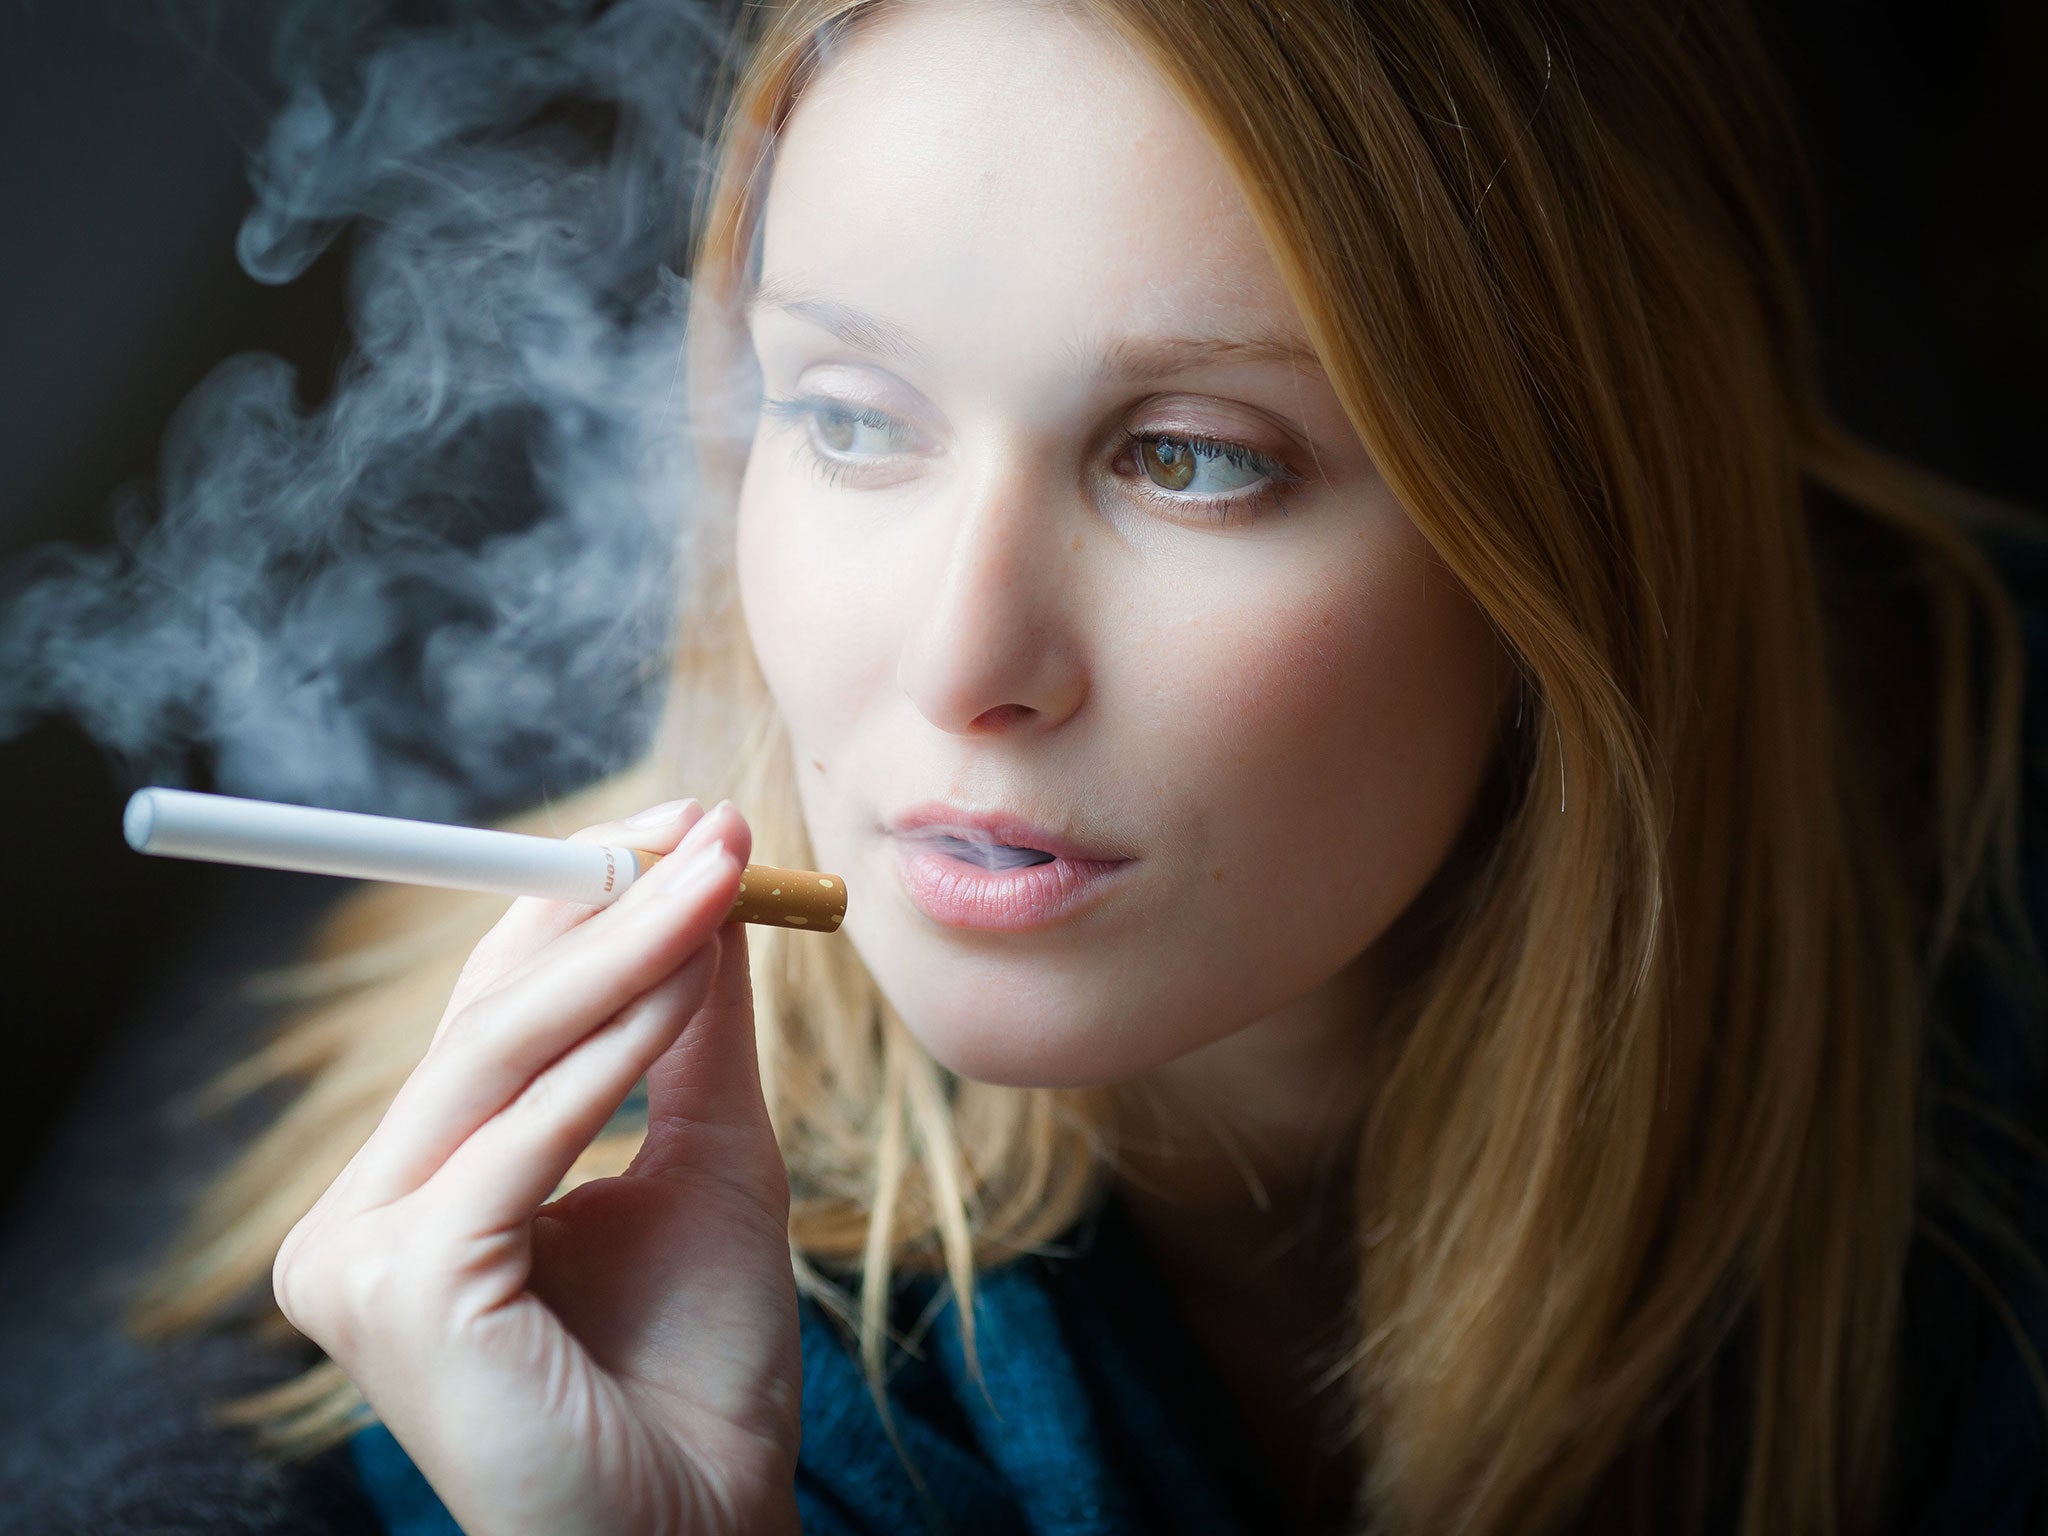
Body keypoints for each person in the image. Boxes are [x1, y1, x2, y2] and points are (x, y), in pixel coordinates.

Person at [127, 0, 2048, 1532]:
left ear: (1583, 539)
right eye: (856, 418)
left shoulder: (1980, 1072)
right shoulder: (534, 1309)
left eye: (1192, 455)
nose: (963, 662)